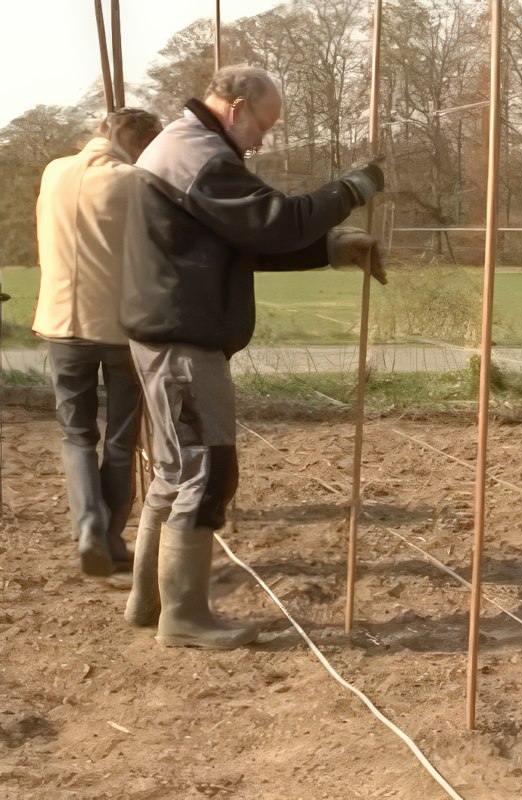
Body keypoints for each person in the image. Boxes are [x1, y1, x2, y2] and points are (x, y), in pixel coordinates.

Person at [121, 64, 386, 650]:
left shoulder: (183, 149)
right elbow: (274, 221)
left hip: (167, 332)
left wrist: (332, 248)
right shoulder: (201, 157)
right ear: (236, 108)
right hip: (183, 339)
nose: (264, 140)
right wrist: (351, 190)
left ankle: (149, 601)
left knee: (177, 469)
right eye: (263, 124)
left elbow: (240, 241)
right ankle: (184, 618)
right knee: (207, 469)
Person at [34, 108, 163, 577]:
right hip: (119, 327)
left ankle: (88, 526)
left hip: (60, 320)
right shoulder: (135, 181)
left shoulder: (54, 172)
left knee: (76, 433)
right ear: (137, 139)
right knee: (121, 436)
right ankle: (109, 536)